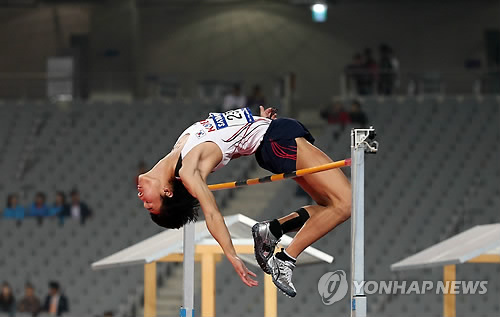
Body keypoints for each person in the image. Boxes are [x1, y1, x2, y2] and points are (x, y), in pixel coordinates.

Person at [137, 106, 351, 297]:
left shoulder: (180, 146)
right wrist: (232, 255)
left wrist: (255, 123)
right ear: (167, 192)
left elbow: (229, 146)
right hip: (277, 140)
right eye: (150, 205)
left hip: (271, 139)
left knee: (332, 206)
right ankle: (285, 259)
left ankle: (273, 230)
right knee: (347, 203)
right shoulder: (189, 172)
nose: (142, 200)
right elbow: (212, 214)